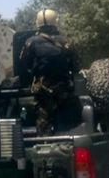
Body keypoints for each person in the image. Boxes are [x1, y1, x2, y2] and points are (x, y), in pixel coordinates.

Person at [20, 8, 79, 136]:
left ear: (38, 23)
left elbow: (25, 65)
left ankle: (44, 142)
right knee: (67, 122)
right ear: (55, 22)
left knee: (43, 123)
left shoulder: (30, 42)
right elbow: (75, 67)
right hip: (64, 90)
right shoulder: (65, 42)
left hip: (42, 91)